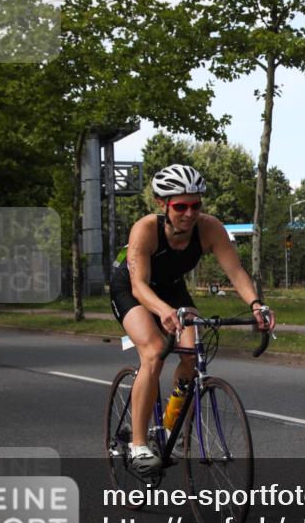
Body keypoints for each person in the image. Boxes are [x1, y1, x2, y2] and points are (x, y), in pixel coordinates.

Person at [110, 164, 275, 476]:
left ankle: (170, 426)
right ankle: (138, 446)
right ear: (163, 204)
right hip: (132, 290)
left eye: (196, 205)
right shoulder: (145, 229)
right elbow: (139, 286)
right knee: (155, 351)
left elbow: (236, 272)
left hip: (173, 290)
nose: (189, 213)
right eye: (181, 206)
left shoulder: (210, 228)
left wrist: (256, 304)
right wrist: (162, 312)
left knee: (191, 353)